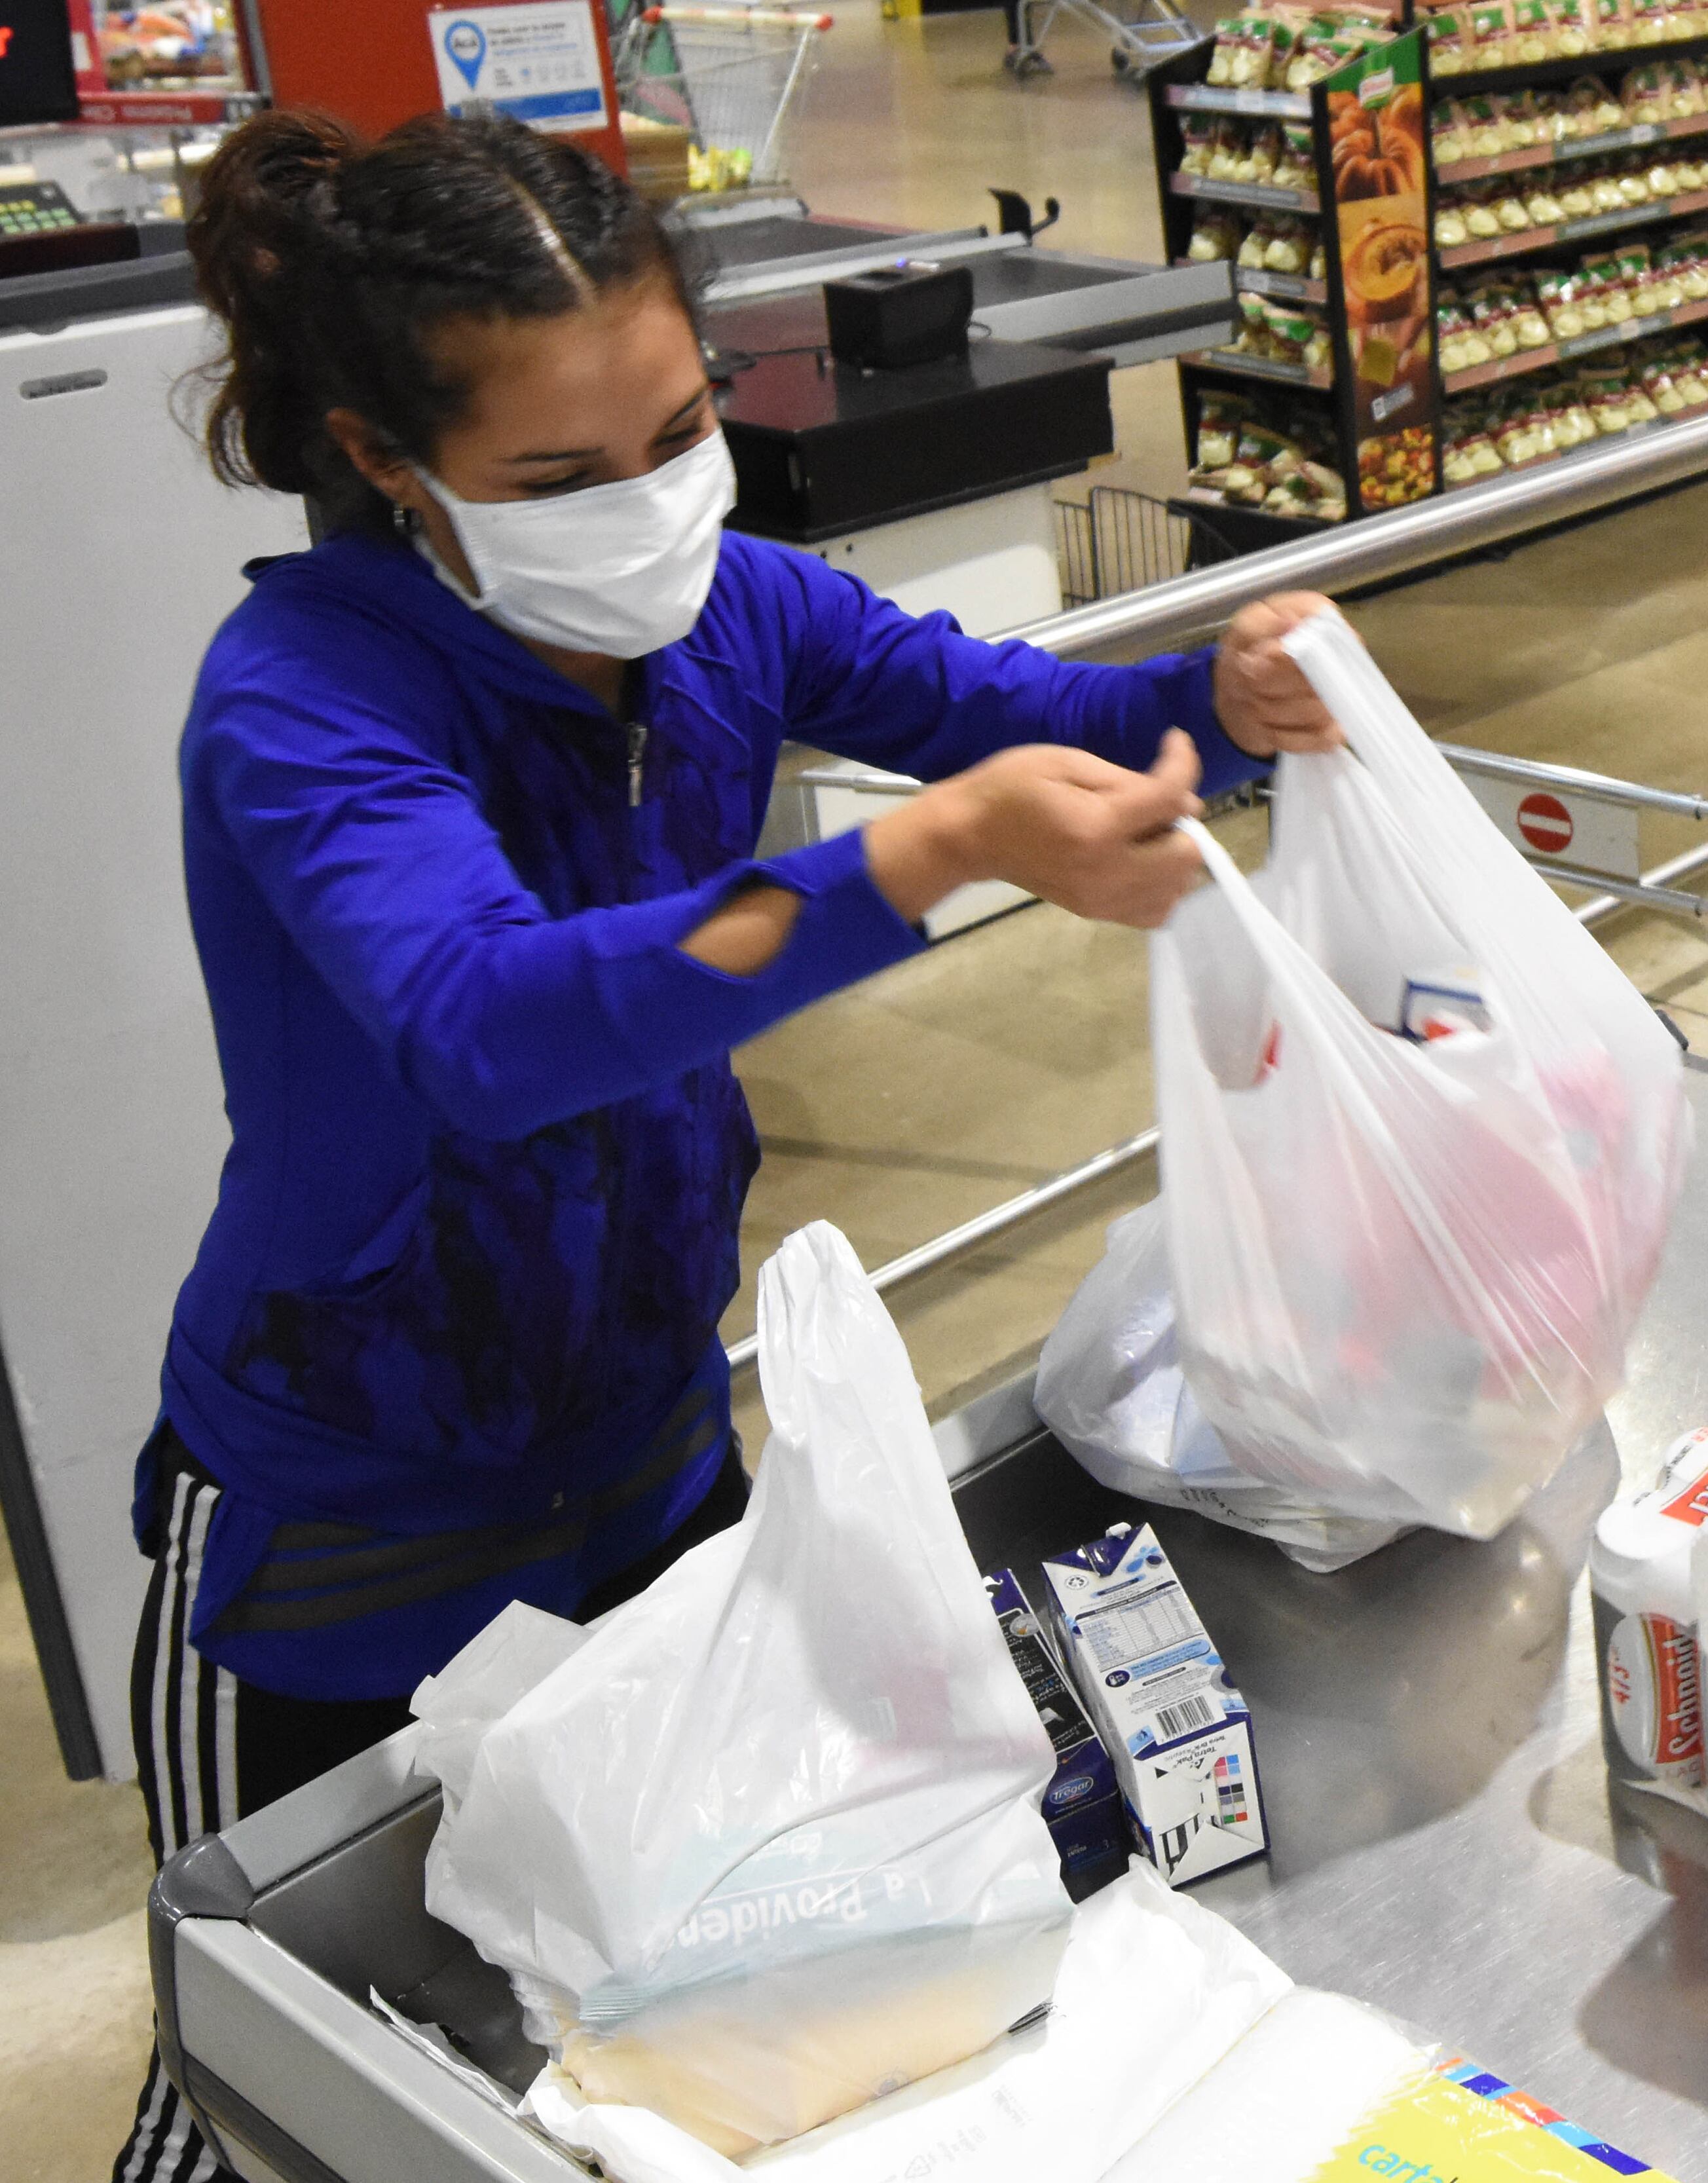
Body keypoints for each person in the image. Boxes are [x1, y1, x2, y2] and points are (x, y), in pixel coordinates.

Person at [113, 109, 1340, 2183]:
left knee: (681, 2017)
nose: (649, 508)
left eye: (681, 430)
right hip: (343, 1536)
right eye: (561, 480)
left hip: (659, 1470)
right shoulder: (305, 700)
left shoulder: (740, 615)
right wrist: (928, 855)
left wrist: (1214, 702)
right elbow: (489, 1029)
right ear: (388, 464)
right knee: (288, 2079)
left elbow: (1016, 706)